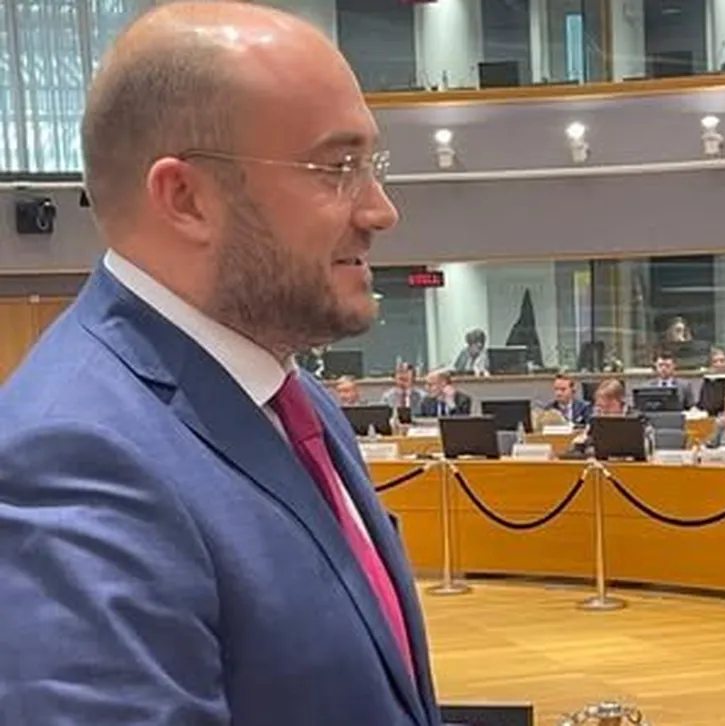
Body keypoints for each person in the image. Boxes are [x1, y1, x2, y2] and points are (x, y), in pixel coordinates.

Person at [0, 4, 443, 725]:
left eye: (372, 166)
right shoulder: (72, 459)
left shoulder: (292, 397)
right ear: (186, 199)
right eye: (336, 169)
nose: (379, 210)